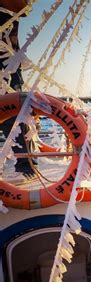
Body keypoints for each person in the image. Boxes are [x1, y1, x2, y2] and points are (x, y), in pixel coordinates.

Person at [0, 0, 36, 179]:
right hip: (9, 62)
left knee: (15, 111)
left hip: (7, 62)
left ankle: (25, 161)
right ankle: (25, 161)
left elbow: (23, 8)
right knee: (14, 113)